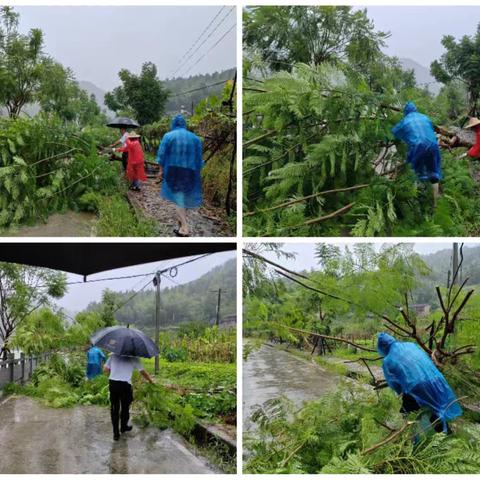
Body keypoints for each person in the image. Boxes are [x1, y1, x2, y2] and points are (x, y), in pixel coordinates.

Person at [377, 332, 462, 434]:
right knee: (438, 409)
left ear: (382, 348)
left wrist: (401, 391)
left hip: (418, 387)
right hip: (436, 379)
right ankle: (446, 434)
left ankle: (411, 439)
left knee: (407, 412)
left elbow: (394, 384)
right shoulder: (411, 345)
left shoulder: (388, 360)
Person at [156, 114, 204, 237]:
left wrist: (160, 170)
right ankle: (180, 224)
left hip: (174, 170)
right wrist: (197, 170)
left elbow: (161, 154)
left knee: (178, 197)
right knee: (183, 196)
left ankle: (185, 227)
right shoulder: (195, 138)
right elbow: (199, 158)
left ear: (174, 124)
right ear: (184, 124)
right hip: (190, 170)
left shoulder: (168, 136)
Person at [391, 101, 442, 204]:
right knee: (434, 172)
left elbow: (394, 131)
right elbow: (431, 130)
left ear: (406, 112)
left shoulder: (405, 121)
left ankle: (414, 201)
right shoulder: (425, 117)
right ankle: (436, 202)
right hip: (433, 146)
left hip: (418, 147)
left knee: (412, 171)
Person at [104, 353, 154, 441]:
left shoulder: (113, 355)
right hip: (125, 385)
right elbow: (142, 371)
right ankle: (123, 427)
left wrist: (114, 375)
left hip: (113, 383)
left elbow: (105, 369)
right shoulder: (134, 357)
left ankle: (116, 434)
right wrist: (150, 381)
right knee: (125, 407)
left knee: (114, 408)